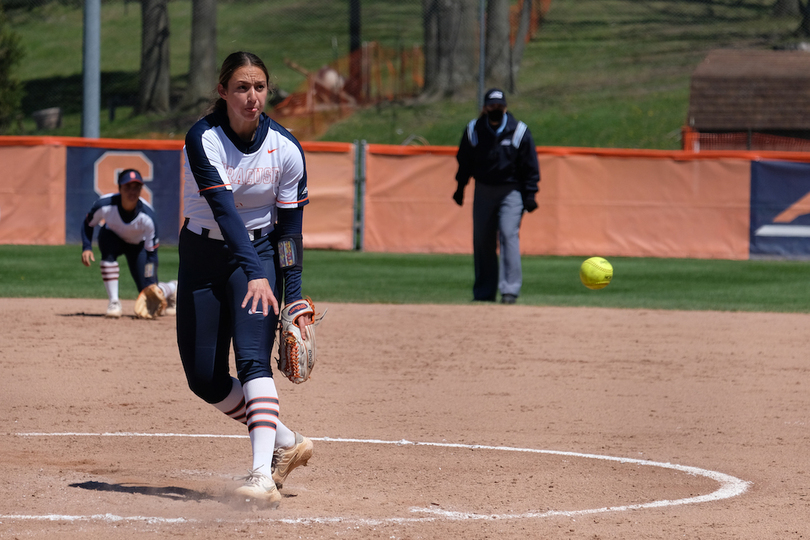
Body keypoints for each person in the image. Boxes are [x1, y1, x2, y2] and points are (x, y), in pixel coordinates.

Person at [179, 51, 314, 506]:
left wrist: (291, 296)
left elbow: (290, 233)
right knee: (204, 378)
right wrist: (257, 274)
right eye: (241, 87)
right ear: (222, 91)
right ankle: (287, 439)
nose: (251, 97)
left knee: (252, 360)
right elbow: (223, 211)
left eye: (259, 87)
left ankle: (261, 476)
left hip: (256, 252)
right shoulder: (204, 138)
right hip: (203, 254)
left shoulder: (286, 149)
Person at [453, 88, 540, 304]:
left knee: (509, 235)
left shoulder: (518, 131)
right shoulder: (474, 130)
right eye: (492, 107)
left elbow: (530, 166)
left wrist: (530, 194)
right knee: (482, 239)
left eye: (499, 107)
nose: (496, 110)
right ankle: (484, 292)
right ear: (484, 108)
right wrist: (460, 187)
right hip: (483, 189)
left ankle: (509, 290)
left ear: (506, 108)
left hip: (511, 191)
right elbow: (465, 162)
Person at [80, 169, 177, 318]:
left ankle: (172, 288)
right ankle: (114, 302)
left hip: (138, 247)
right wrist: (87, 247)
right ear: (119, 188)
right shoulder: (105, 205)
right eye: (127, 187)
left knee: (148, 290)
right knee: (107, 244)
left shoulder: (148, 216)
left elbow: (151, 255)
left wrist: (150, 281)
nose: (132, 191)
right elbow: (88, 223)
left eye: (136, 187)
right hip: (113, 238)